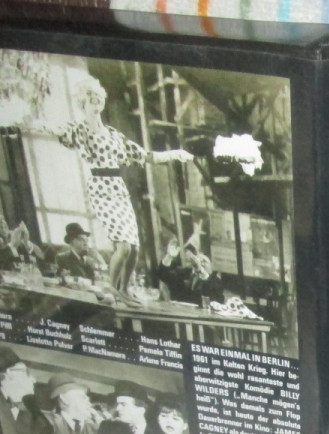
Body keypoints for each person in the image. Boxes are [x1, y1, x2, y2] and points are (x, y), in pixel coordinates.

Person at [53, 78, 260, 299]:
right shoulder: (81, 130)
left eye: (98, 101)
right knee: (123, 248)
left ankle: (123, 289)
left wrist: (175, 154)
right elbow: (60, 133)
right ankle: (112, 289)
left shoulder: (114, 136)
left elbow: (146, 156)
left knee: (134, 248)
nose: (95, 106)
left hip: (117, 187)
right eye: (91, 102)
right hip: (100, 187)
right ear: (83, 104)